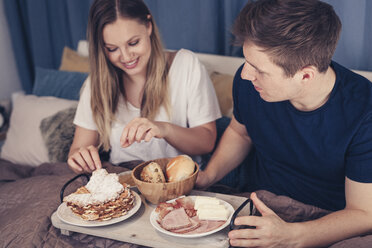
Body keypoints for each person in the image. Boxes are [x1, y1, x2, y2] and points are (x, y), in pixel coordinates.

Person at [196, 0, 372, 247]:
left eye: (259, 69)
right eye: (246, 61)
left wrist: (291, 236)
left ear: (305, 75)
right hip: (262, 202)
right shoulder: (248, 84)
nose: (246, 74)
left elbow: (364, 214)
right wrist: (206, 177)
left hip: (330, 220)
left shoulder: (365, 111)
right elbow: (240, 132)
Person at [67, 0, 221, 174]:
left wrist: (165, 129)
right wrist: (79, 157)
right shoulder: (96, 83)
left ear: (149, 26)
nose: (126, 57)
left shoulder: (185, 64)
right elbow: (78, 148)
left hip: (176, 182)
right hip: (123, 182)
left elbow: (207, 141)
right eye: (112, 49)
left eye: (133, 43)